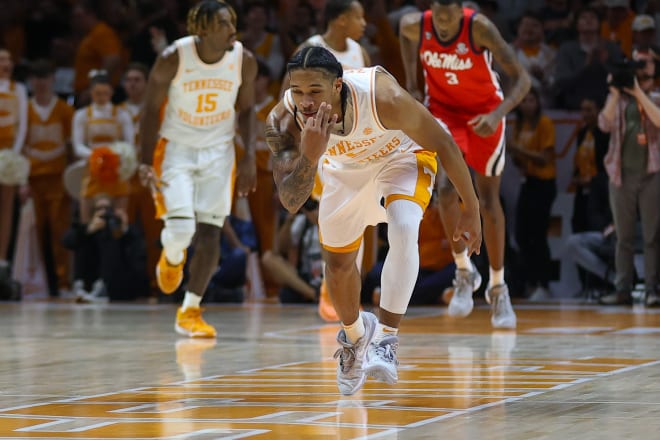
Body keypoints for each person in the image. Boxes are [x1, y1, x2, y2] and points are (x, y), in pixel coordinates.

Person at [266, 46, 481, 395]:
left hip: (400, 156)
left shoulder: (383, 97)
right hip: (342, 169)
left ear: (338, 86)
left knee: (405, 224)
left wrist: (470, 206)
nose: (305, 101)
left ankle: (386, 338)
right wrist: (309, 156)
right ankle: (354, 338)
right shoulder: (281, 122)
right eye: (298, 91)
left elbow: (443, 141)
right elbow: (291, 201)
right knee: (337, 266)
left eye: (315, 92)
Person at [399, 0, 530, 328]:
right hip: (443, 113)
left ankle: (498, 286)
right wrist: (413, 84)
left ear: (462, 10)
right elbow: (403, 35)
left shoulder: (480, 28)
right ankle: (462, 271)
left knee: (487, 201)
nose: (442, 25)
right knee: (444, 189)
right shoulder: (416, 24)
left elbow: (523, 80)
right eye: (437, 18)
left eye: (448, 18)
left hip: (485, 114)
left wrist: (498, 114)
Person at [139, 0, 257, 338]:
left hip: (219, 151)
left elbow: (247, 110)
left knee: (210, 230)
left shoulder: (244, 61)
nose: (231, 27)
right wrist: (145, 161)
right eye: (222, 22)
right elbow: (148, 110)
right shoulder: (173, 58)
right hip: (176, 149)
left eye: (232, 20)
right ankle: (172, 257)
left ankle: (190, 309)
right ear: (202, 29)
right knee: (181, 230)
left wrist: (248, 154)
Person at [597, 51, 660, 306]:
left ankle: (652, 289)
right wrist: (614, 94)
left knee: (651, 236)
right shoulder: (620, 100)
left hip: (651, 175)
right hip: (621, 175)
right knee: (623, 236)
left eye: (645, 62)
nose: (641, 68)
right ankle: (622, 289)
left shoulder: (655, 97)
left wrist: (638, 93)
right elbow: (603, 123)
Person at [22, 60, 74, 297]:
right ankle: (33, 283)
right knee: (31, 234)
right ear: (30, 81)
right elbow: (20, 145)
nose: (41, 83)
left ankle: (63, 283)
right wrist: (22, 180)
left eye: (45, 77)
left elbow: (72, 147)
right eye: (36, 78)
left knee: (59, 233)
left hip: (58, 180)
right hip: (31, 180)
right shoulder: (24, 109)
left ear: (53, 79)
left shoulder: (65, 110)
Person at [508, 88, 557, 301]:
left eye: (531, 100)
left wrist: (517, 150)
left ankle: (543, 283)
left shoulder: (544, 123)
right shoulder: (519, 125)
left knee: (538, 234)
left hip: (543, 183)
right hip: (527, 181)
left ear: (538, 102)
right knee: (521, 234)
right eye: (524, 100)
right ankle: (529, 281)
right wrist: (514, 154)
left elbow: (545, 158)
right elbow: (521, 161)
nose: (527, 104)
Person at [0, 48, 28, 268]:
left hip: (9, 154)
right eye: (1, 59)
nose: (6, 63)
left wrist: (14, 154)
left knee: (6, 208)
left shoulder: (18, 89)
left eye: (9, 59)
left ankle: (2, 261)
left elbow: (22, 125)